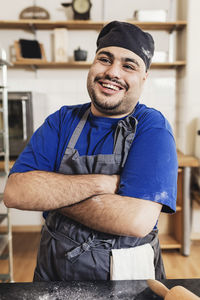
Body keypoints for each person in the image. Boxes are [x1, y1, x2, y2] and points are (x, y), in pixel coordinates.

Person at [4, 21, 178, 281]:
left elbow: (136, 221)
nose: (113, 72)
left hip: (127, 274)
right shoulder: (62, 120)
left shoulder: (152, 127)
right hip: (56, 268)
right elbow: (15, 192)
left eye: (128, 65)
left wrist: (52, 194)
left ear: (144, 77)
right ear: (92, 64)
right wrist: (104, 183)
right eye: (104, 59)